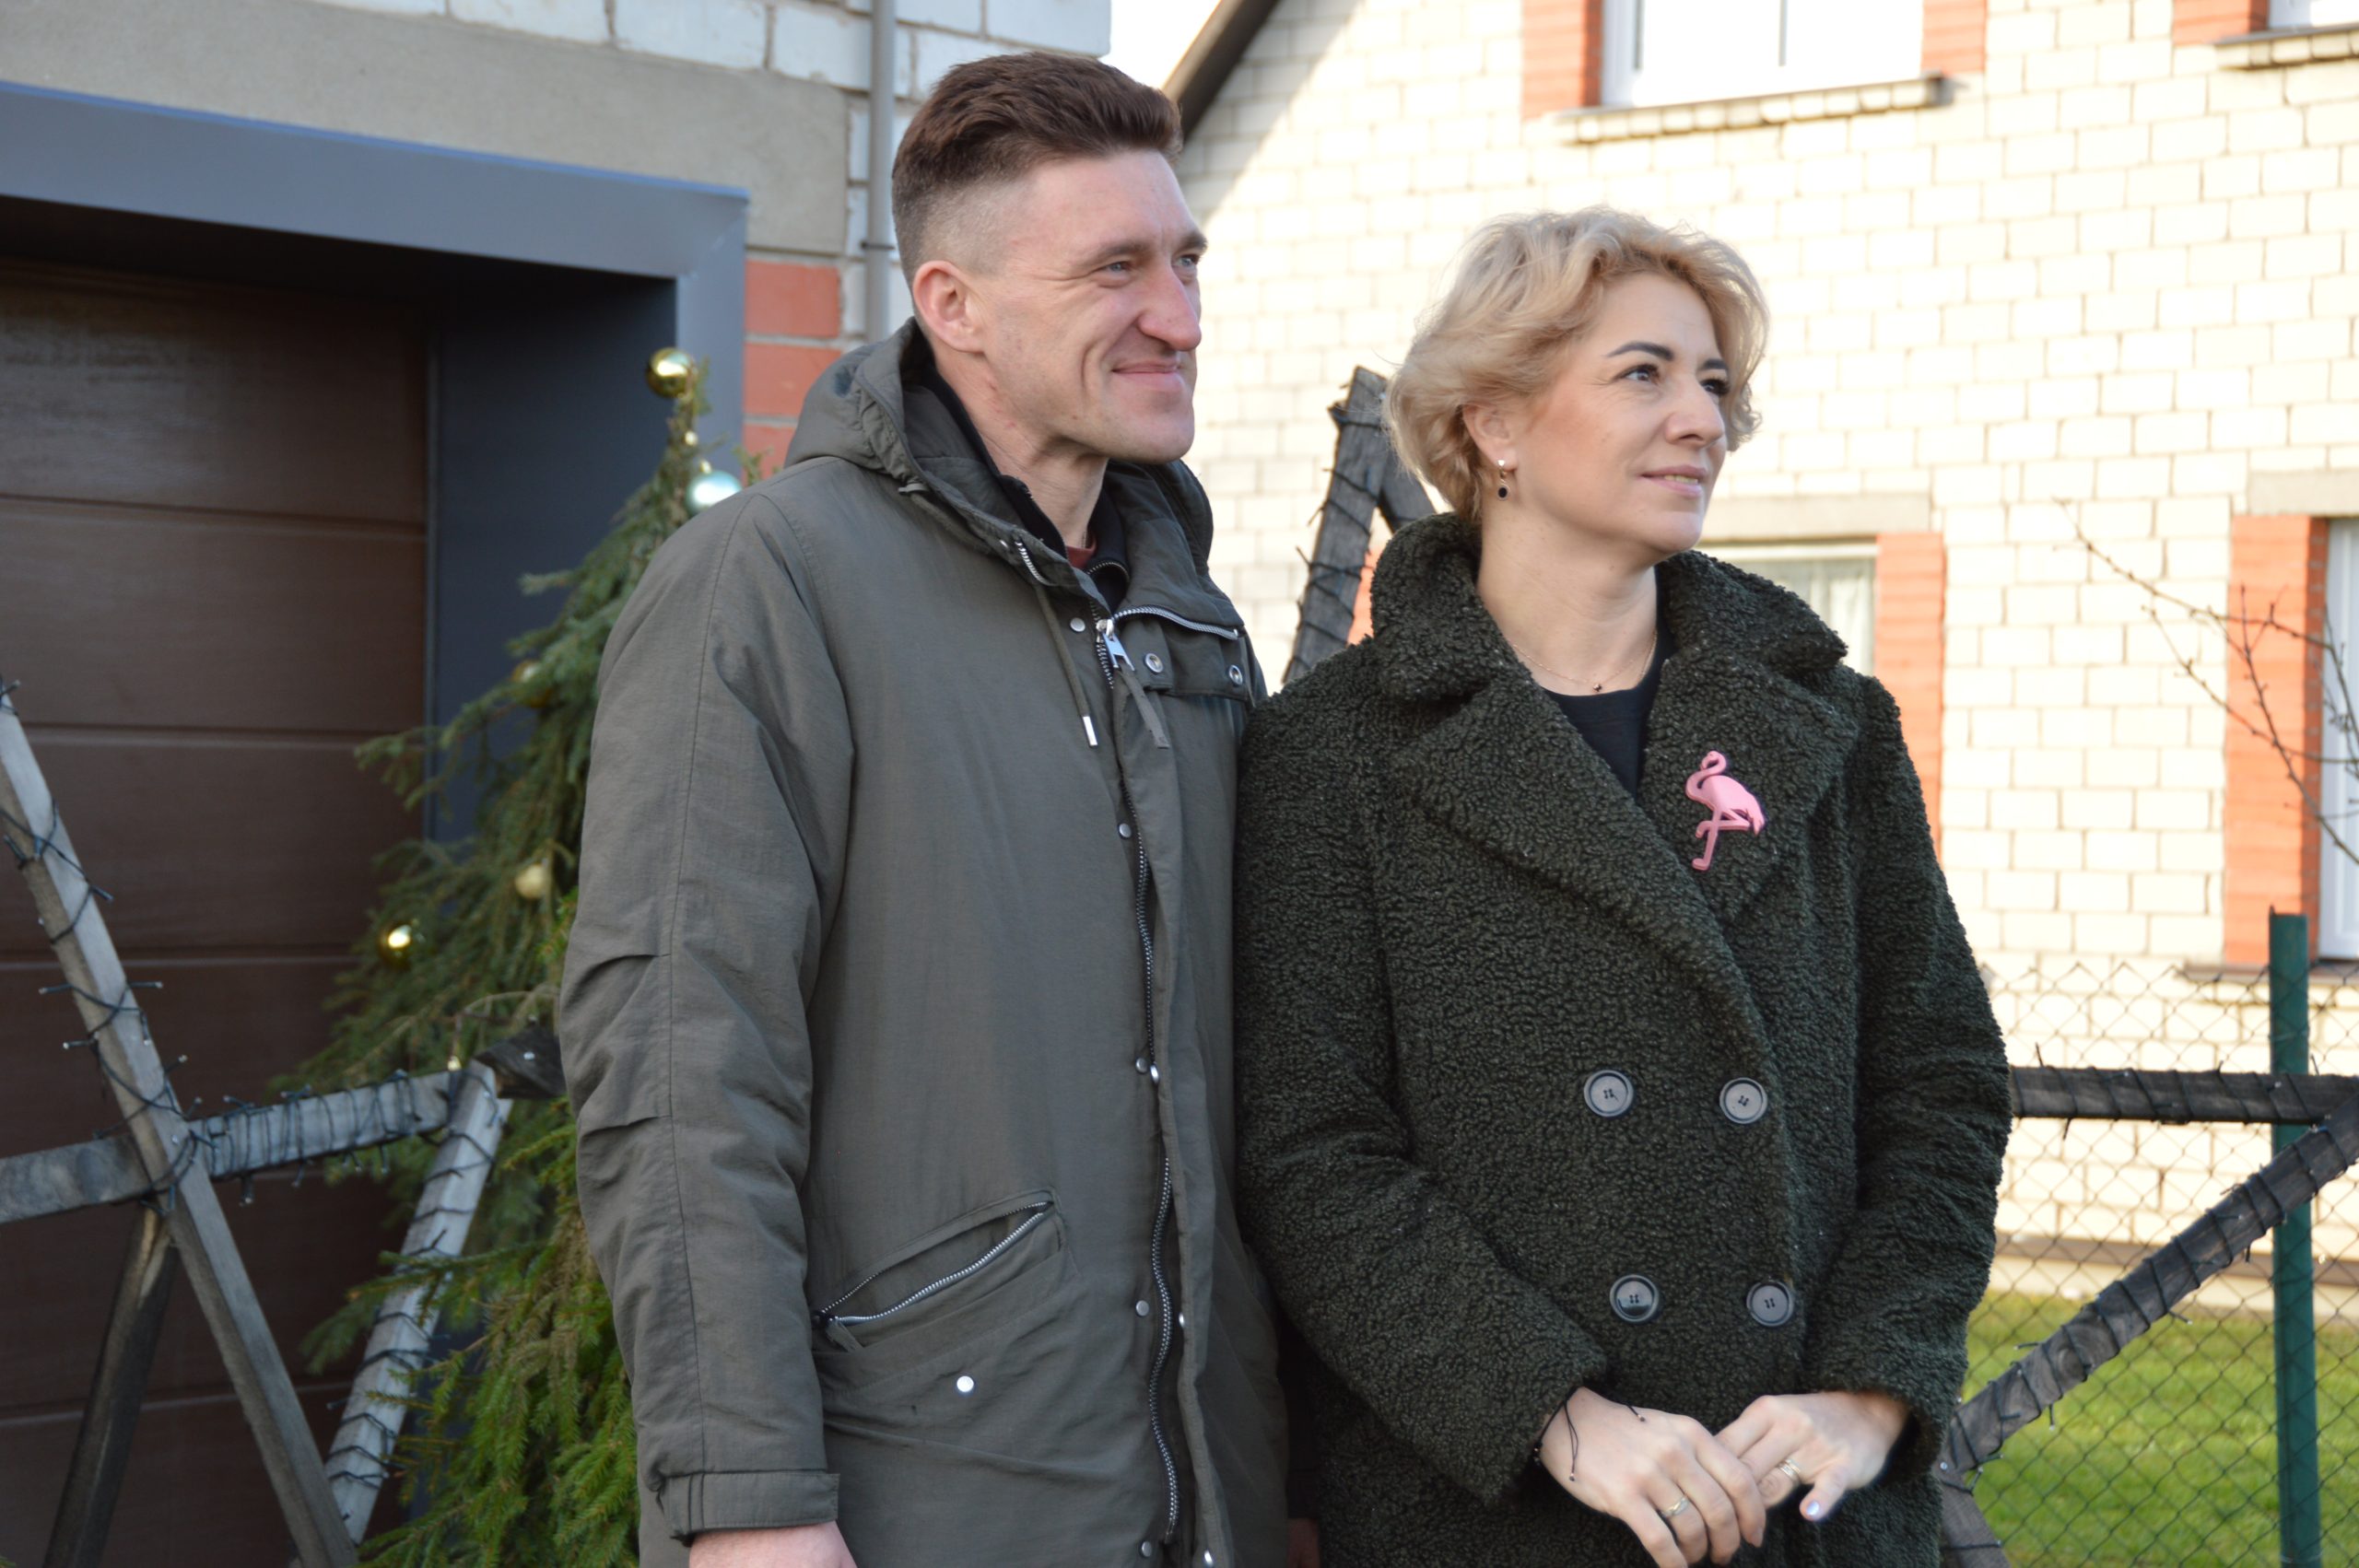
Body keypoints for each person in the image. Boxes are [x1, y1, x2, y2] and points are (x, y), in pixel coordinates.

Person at [560, 53, 1290, 1568]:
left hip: (1202, 1491)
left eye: (1186, 261)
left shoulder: (1188, 617)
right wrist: (749, 1501)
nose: (1179, 316)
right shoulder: (769, 583)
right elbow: (683, 1065)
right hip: (922, 1496)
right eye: (1115, 269)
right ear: (953, 303)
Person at [1231, 207, 2013, 1568]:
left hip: (1805, 1512)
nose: (1701, 419)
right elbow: (1314, 1154)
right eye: (1643, 374)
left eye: (1714, 381)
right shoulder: (1335, 754)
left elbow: (1940, 1086)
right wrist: (1555, 1413)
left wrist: (1872, 1391)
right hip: (1493, 1513)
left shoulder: (1827, 726)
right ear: (1494, 423)